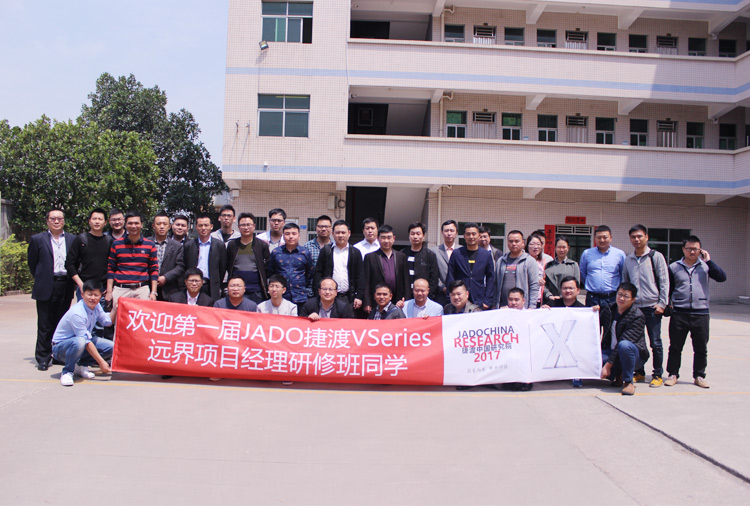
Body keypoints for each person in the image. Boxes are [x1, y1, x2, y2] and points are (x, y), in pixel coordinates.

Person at [664, 235, 727, 389]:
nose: (692, 252)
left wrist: (709, 261)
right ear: (683, 249)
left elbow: (722, 277)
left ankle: (699, 376)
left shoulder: (706, 266)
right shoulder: (674, 267)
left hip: (701, 313)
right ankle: (673, 374)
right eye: (689, 249)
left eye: (695, 249)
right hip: (680, 313)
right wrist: (667, 305)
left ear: (701, 250)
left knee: (700, 348)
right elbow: (668, 288)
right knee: (675, 346)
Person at [622, 224, 670, 387]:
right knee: (636, 341)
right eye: (633, 237)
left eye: (639, 236)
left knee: (655, 342)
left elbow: (664, 281)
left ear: (646, 237)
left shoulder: (656, 257)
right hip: (635, 308)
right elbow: (625, 282)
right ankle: (639, 372)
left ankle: (657, 374)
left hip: (652, 307)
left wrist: (662, 303)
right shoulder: (628, 259)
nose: (636, 239)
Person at [28, 208, 75, 371]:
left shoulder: (72, 239)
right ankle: (43, 357)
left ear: (64, 221)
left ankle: (58, 355)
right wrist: (43, 278)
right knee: (44, 324)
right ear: (47, 221)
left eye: (59, 219)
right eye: (53, 219)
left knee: (61, 323)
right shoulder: (37, 239)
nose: (56, 221)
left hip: (65, 284)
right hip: (46, 285)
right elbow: (32, 264)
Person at [51, 280, 114, 387]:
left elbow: (107, 322)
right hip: (60, 348)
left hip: (81, 342)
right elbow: (86, 341)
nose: (92, 298)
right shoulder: (77, 313)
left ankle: (81, 366)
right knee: (80, 341)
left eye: (96, 295)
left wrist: (116, 308)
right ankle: (67, 372)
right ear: (82, 294)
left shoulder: (97, 306)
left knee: (111, 347)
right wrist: (101, 362)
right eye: (89, 294)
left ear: (101, 295)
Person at [106, 211, 158, 320]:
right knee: (120, 322)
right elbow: (111, 269)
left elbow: (154, 270)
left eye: (136, 223)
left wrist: (153, 292)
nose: (133, 226)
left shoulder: (150, 245)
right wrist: (109, 292)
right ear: (125, 225)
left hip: (141, 290)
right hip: (121, 290)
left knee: (142, 322)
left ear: (141, 225)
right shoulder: (116, 244)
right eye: (130, 223)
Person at [599, 282, 649, 396]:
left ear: (633, 299)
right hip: (611, 351)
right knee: (594, 360)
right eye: (619, 294)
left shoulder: (637, 316)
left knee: (624, 345)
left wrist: (608, 365)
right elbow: (594, 324)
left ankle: (628, 382)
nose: (621, 298)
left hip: (634, 355)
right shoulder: (609, 309)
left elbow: (623, 341)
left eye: (626, 296)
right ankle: (618, 375)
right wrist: (594, 311)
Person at [313, 219, 364, 312]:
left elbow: (360, 276)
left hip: (348, 297)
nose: (340, 235)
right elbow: (318, 273)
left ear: (349, 233)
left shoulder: (355, 252)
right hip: (328, 297)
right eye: (337, 232)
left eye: (343, 232)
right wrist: (318, 294)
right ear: (333, 234)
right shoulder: (326, 251)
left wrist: (359, 296)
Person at [66, 208, 112, 301]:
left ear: (105, 222)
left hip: (102, 288)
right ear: (89, 221)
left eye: (100, 219)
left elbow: (112, 266)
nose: (97, 222)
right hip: (85, 287)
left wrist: (109, 288)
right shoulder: (81, 239)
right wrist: (80, 284)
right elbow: (69, 264)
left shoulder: (109, 241)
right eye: (94, 219)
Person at [446, 222, 495, 310]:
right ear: (464, 236)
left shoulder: (486, 255)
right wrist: (450, 297)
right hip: (460, 299)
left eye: (474, 234)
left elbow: (490, 278)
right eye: (468, 234)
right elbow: (450, 276)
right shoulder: (457, 254)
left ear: (478, 236)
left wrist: (487, 300)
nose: (471, 237)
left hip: (479, 299)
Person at [363, 225, 409, 315]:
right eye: (383, 238)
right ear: (378, 239)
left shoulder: (401, 256)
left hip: (397, 301)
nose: (386, 241)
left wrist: (406, 300)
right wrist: (367, 302)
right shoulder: (370, 257)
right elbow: (366, 282)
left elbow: (406, 281)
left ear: (394, 238)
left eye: (389, 237)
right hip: (377, 301)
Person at [226, 212, 270, 304]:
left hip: (256, 290)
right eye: (243, 225)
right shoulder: (232, 245)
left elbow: (267, 267)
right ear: (238, 227)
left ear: (254, 226)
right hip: (236, 289)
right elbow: (227, 265)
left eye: (248, 225)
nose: (246, 228)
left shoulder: (261, 245)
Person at [267, 223, 314, 309]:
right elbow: (271, 272)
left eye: (294, 234)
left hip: (300, 296)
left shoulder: (305, 253)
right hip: (280, 296)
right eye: (287, 234)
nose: (291, 237)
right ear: (283, 236)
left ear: (299, 236)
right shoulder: (276, 252)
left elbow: (310, 274)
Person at [183, 213, 227, 302]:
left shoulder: (219, 245)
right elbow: (185, 265)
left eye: (206, 225)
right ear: (196, 227)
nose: (203, 228)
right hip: (193, 285)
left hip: (211, 286)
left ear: (211, 226)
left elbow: (222, 267)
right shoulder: (189, 245)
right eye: (200, 225)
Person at [579, 225, 626, 307]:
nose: (602, 240)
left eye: (605, 237)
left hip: (612, 297)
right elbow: (582, 274)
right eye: (599, 237)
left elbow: (623, 274)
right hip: (592, 298)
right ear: (594, 238)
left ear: (611, 238)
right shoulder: (587, 253)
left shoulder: (619, 254)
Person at [495, 230, 538, 309]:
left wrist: (532, 306)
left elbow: (534, 286)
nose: (513, 244)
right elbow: (495, 284)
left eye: (517, 241)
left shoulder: (529, 261)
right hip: (503, 307)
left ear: (523, 243)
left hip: (522, 308)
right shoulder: (501, 261)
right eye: (511, 241)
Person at [147, 211, 185, 301]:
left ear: (169, 226)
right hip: (148, 287)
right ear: (153, 226)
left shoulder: (177, 246)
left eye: (164, 224)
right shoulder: (146, 243)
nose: (162, 227)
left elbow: (180, 266)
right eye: (158, 224)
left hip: (169, 290)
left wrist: (165, 277)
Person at [402, 222, 439, 301]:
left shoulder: (430, 255)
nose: (415, 236)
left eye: (418, 234)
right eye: (412, 234)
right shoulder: (402, 254)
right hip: (405, 297)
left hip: (424, 298)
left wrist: (428, 296)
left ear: (423, 236)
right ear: (409, 236)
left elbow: (434, 279)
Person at [544, 235, 580, 304]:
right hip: (551, 301)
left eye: (564, 247)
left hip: (568, 301)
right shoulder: (548, 265)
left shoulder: (573, 265)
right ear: (555, 248)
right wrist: (549, 295)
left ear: (568, 248)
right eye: (559, 247)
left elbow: (576, 285)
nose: (561, 250)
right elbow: (545, 285)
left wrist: (562, 296)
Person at [431, 219, 458, 305]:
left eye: (452, 231)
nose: (449, 233)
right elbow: (432, 274)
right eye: (446, 231)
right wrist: (442, 287)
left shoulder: (462, 251)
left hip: (458, 294)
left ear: (456, 233)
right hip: (440, 295)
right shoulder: (434, 251)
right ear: (442, 233)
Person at [526, 232, 548, 308]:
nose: (536, 247)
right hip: (527, 298)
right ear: (527, 246)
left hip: (541, 298)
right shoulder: (524, 261)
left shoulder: (544, 261)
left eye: (538, 244)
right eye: (532, 244)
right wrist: (535, 281)